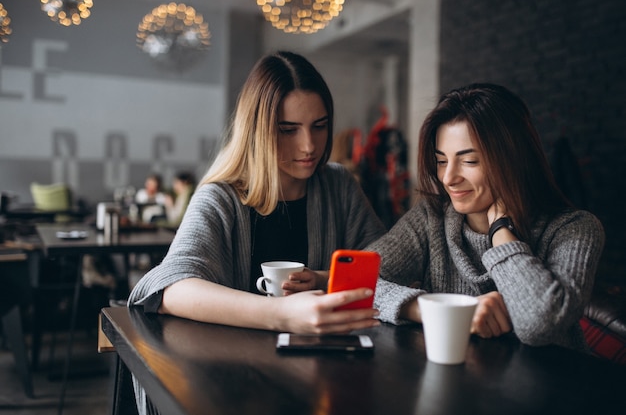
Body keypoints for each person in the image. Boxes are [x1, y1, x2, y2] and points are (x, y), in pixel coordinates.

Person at [128, 51, 385, 333]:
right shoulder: (220, 197)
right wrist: (281, 314)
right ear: (257, 130)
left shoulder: (339, 185)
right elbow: (169, 288)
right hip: (235, 368)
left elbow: (386, 268)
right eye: (288, 130)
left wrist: (324, 280)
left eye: (320, 126)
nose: (309, 145)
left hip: (325, 366)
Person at [370, 83, 605, 353]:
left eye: (469, 161)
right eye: (442, 161)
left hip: (554, 390)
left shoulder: (575, 229)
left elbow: (540, 325)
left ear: (513, 160)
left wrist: (501, 232)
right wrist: (445, 312)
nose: (448, 179)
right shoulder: (431, 217)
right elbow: (356, 282)